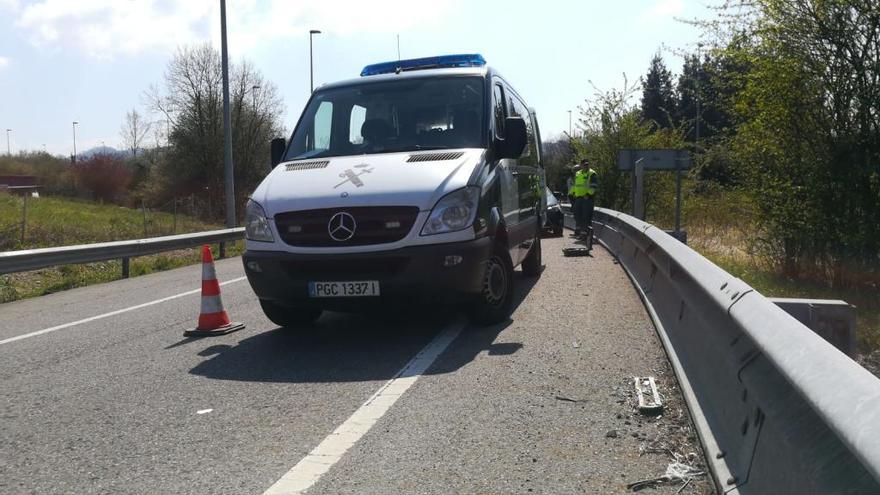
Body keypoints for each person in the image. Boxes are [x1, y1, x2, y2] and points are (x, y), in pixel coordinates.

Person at [569, 159, 599, 237]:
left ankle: (586, 235)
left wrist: (588, 195)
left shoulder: (592, 173)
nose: (586, 166)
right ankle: (582, 232)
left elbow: (594, 186)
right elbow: (575, 185)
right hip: (578, 198)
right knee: (577, 214)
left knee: (586, 216)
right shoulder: (578, 174)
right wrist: (571, 193)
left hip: (587, 199)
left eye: (587, 165)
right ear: (581, 165)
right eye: (584, 165)